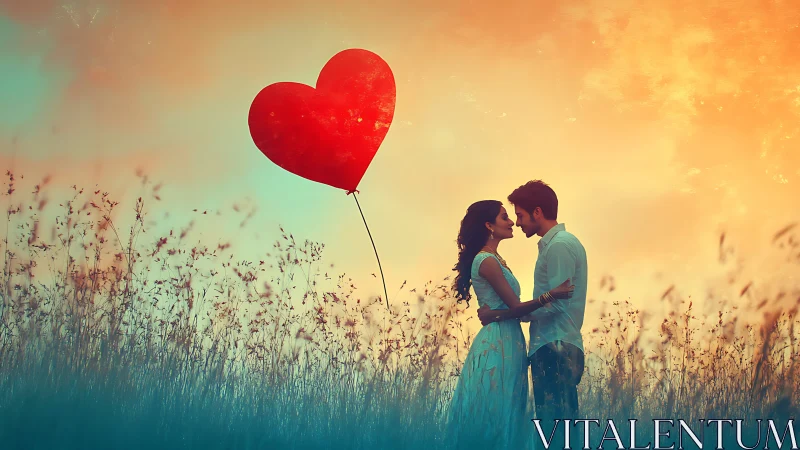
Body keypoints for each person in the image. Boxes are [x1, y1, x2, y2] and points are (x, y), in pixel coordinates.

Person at [446, 199, 574, 449]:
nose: (511, 222)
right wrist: (551, 294)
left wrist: (495, 313)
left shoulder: (495, 259)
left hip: (509, 339)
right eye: (505, 217)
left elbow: (508, 310)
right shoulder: (486, 261)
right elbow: (515, 307)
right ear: (489, 225)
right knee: (495, 407)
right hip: (497, 343)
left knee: (510, 407)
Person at [478, 180, 588, 450]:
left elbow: (559, 302)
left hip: (555, 345)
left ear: (537, 212)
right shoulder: (554, 245)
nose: (518, 222)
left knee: (554, 430)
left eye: (520, 215)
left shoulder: (560, 245)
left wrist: (515, 314)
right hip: (554, 345)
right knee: (556, 428)